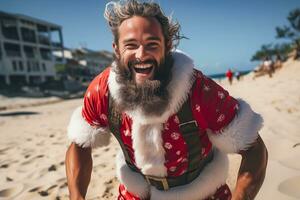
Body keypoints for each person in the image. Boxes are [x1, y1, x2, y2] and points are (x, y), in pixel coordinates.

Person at [65, 1, 268, 200]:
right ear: (117, 49)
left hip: (202, 193)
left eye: (152, 44)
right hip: (134, 193)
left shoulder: (199, 90)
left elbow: (255, 149)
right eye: (131, 45)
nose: (141, 54)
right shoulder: (103, 91)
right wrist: (76, 195)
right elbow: (80, 144)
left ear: (167, 46)